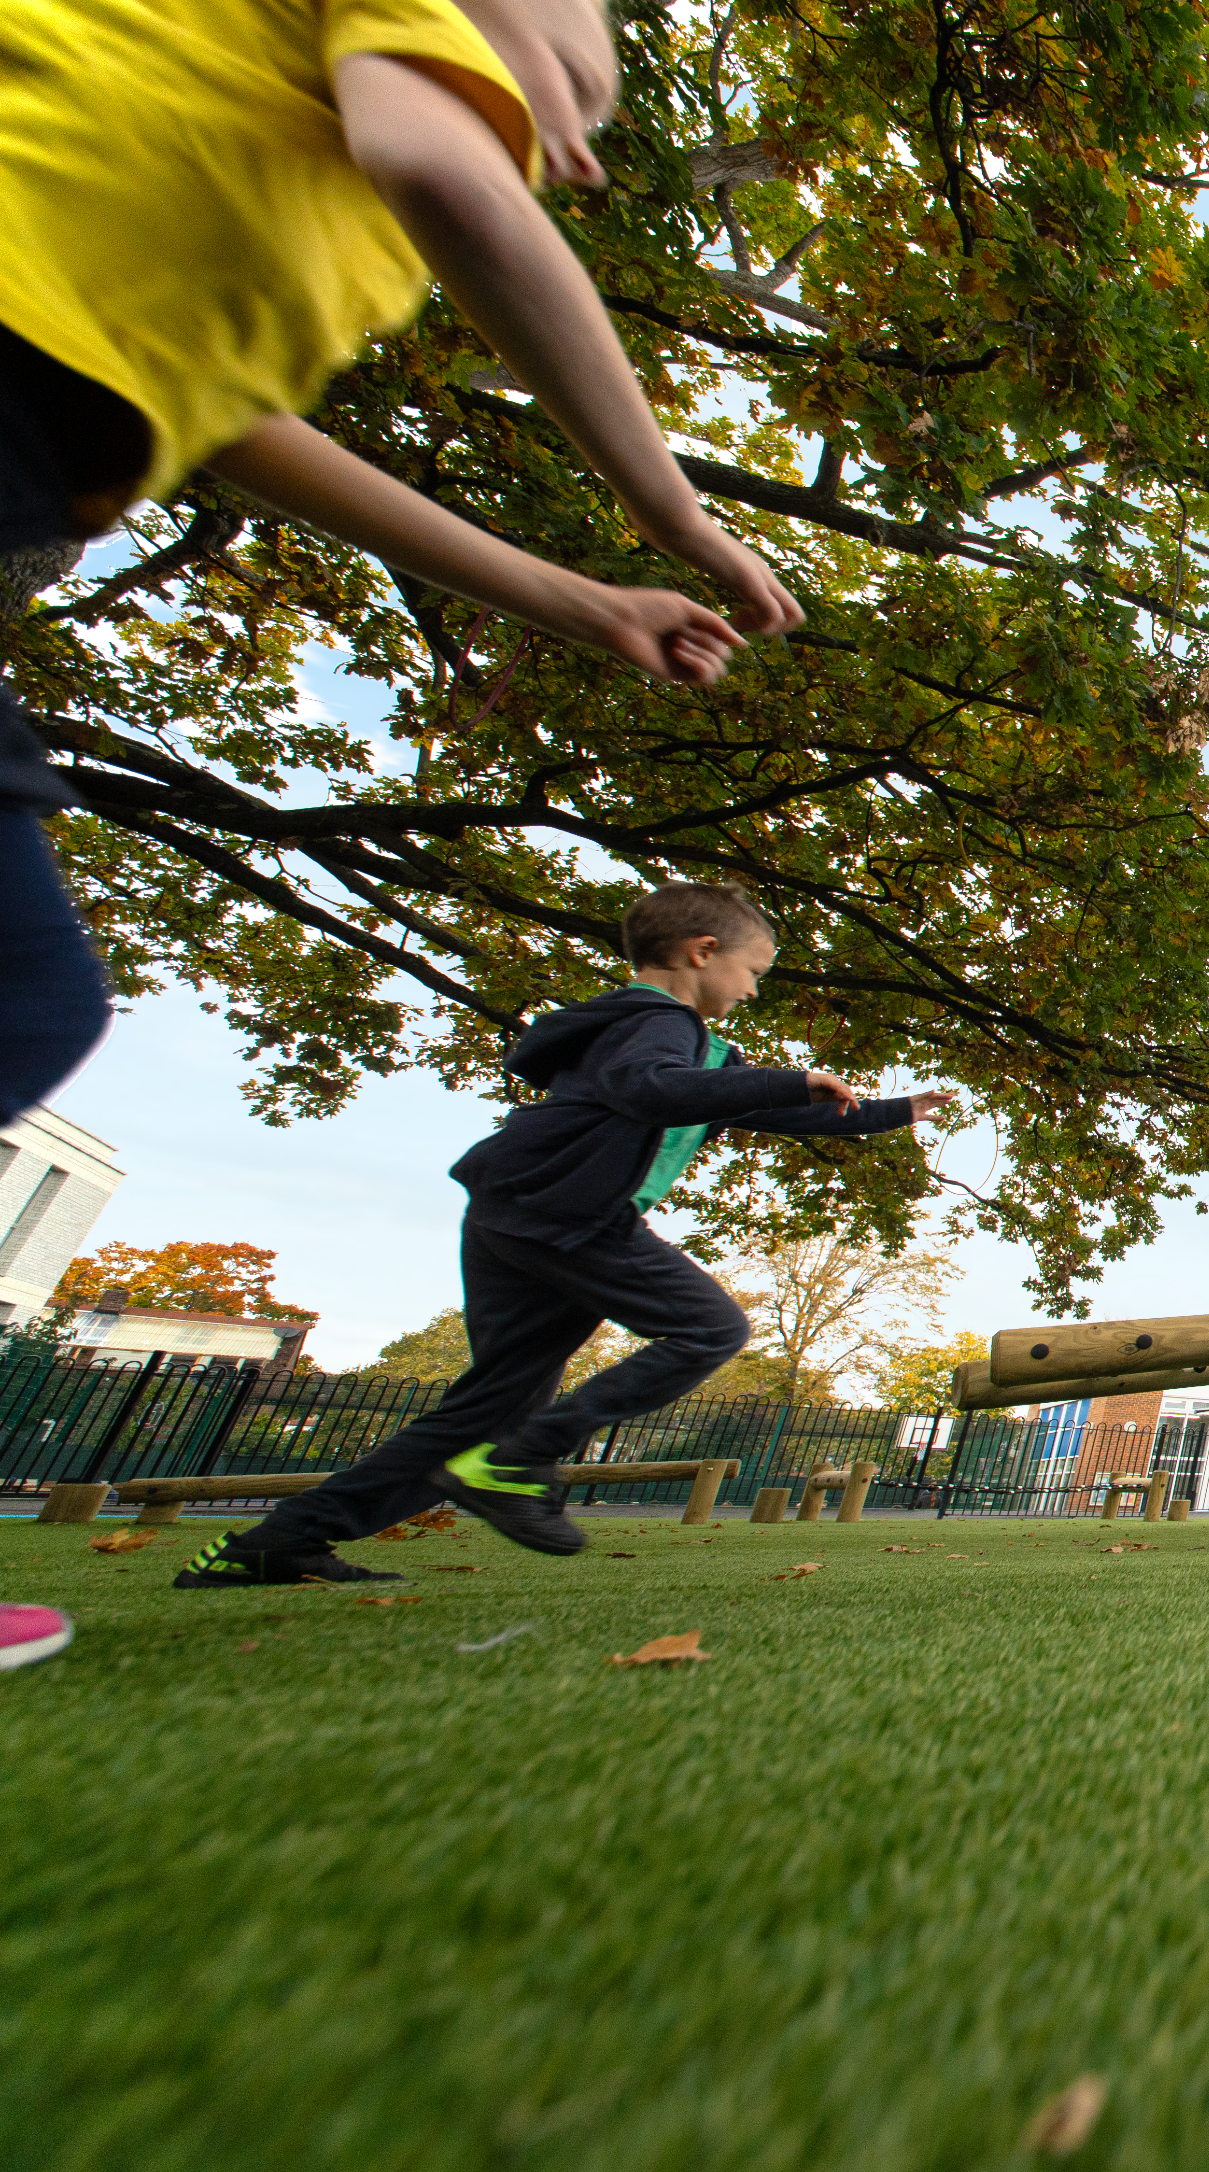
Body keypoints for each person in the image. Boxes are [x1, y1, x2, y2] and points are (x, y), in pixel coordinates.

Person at [1, 0, 806, 1126]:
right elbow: (446, 171)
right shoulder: (397, 108)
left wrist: (577, 601)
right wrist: (675, 509)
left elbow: (244, 431)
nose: (573, 143)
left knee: (27, 999)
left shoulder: (284, 174)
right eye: (573, 77)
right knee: (22, 999)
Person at [174, 883, 935, 1586]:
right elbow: (652, 1089)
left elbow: (755, 1105)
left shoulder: (692, 1048)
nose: (753, 987)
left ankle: (274, 1543)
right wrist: (787, 1076)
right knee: (709, 1328)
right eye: (754, 969)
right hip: (566, 1215)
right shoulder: (655, 1023)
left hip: (518, 1213)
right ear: (701, 952)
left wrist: (895, 1110)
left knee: (489, 1407)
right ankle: (521, 1463)